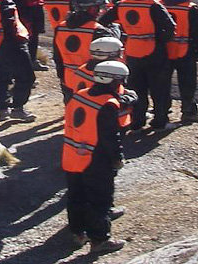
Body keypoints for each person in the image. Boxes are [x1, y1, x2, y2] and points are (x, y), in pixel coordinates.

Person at [62, 60, 136, 255]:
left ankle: (78, 233)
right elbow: (110, 136)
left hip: (72, 155)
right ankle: (100, 240)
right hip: (95, 158)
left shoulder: (79, 95)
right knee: (100, 200)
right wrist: (117, 157)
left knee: (76, 195)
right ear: (113, 80)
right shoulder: (107, 105)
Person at [99, 0, 176, 132]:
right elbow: (170, 28)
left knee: (136, 87)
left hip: (132, 50)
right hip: (154, 51)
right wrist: (159, 40)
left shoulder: (122, 4)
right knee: (159, 88)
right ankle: (160, 122)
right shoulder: (153, 5)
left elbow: (102, 22)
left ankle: (137, 122)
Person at [54, 0, 120, 102]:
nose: (100, 12)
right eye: (98, 8)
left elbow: (57, 57)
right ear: (92, 9)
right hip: (91, 78)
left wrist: (62, 77)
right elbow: (111, 53)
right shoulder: (98, 30)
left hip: (68, 77)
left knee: (72, 110)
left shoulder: (60, 27)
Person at [163, 0, 198, 124]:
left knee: (162, 83)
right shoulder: (190, 8)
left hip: (163, 51)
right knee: (188, 83)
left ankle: (162, 112)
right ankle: (188, 112)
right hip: (185, 51)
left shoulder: (159, 4)